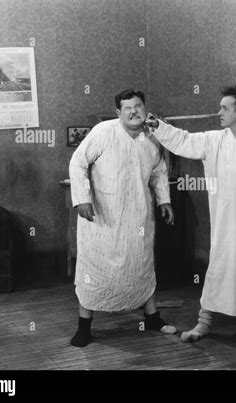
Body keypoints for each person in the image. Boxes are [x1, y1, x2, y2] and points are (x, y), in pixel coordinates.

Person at [145, 86, 236, 341]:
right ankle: (204, 322)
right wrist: (158, 126)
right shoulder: (214, 140)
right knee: (220, 266)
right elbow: (183, 141)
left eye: (225, 107)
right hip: (227, 220)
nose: (219, 112)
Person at [69, 89, 177, 347]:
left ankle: (151, 317)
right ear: (118, 112)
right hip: (101, 217)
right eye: (127, 108)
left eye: (138, 106)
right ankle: (84, 326)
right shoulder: (103, 132)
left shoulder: (153, 136)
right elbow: (78, 163)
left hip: (138, 216)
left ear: (144, 107)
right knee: (94, 270)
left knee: (141, 265)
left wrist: (164, 200)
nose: (134, 112)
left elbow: (159, 171)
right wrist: (82, 198)